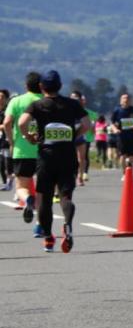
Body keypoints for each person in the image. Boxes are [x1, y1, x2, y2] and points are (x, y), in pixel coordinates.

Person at [18, 70, 89, 253]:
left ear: (42, 87)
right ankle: (67, 224)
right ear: (60, 86)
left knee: (45, 198)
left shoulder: (37, 105)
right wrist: (74, 134)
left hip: (46, 156)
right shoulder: (72, 104)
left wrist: (29, 137)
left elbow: (22, 123)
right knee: (66, 195)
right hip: (67, 155)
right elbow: (87, 124)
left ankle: (49, 238)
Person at [4, 73, 43, 228]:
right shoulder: (46, 101)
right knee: (42, 189)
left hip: (22, 149)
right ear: (41, 86)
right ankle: (40, 224)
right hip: (43, 151)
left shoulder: (17, 101)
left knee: (20, 187)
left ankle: (27, 199)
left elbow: (7, 122)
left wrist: (12, 140)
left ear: (26, 86)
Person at [71, 91, 98, 185]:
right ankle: (72, 175)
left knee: (81, 157)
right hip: (69, 136)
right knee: (70, 157)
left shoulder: (82, 110)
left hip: (80, 135)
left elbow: (87, 124)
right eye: (72, 97)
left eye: (76, 97)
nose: (73, 99)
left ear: (80, 99)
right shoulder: (67, 108)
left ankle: (80, 176)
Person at [111, 93, 133, 170]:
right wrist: (115, 129)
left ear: (130, 101)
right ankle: (124, 173)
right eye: (124, 98)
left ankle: (129, 169)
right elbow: (112, 123)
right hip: (121, 136)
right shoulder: (117, 111)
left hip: (132, 136)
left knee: (132, 155)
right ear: (121, 101)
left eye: (127, 98)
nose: (126, 100)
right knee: (122, 155)